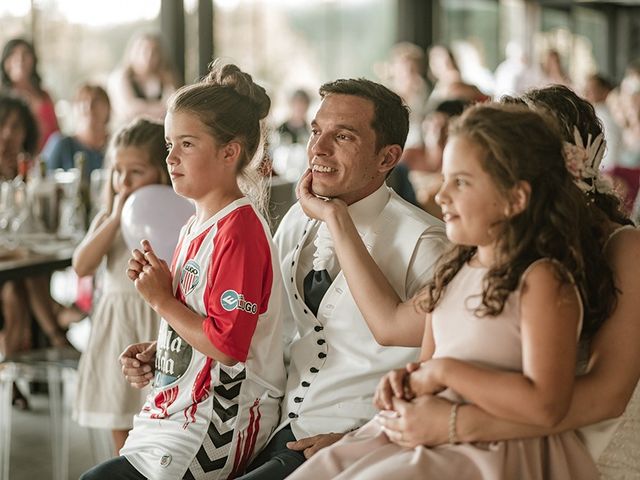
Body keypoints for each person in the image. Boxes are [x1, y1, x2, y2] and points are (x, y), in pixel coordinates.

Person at [323, 86, 639, 479]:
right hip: (471, 433)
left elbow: (605, 397)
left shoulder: (621, 248)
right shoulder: (480, 254)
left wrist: (453, 424)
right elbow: (396, 327)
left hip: (574, 444)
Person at [82, 62, 287, 480]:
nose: (170, 157)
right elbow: (201, 326)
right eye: (169, 143)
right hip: (176, 411)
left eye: (187, 144)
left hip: (217, 425)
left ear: (229, 152)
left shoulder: (240, 230)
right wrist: (162, 354)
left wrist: (159, 299)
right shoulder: (195, 225)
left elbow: (228, 346)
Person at [238, 78, 447, 479]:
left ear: (387, 158)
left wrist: (364, 437)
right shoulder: (299, 218)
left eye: (343, 136)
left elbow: (439, 373)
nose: (318, 147)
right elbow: (264, 324)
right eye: (317, 131)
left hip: (349, 443)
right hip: (267, 427)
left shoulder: (424, 243)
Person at [71, 117, 168, 453]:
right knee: (122, 427)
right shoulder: (106, 220)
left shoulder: (171, 216)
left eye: (136, 171)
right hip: (118, 330)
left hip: (155, 324)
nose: (124, 181)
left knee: (159, 424)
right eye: (118, 170)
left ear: (161, 171)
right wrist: (114, 218)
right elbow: (81, 266)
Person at [0, 94, 71, 408]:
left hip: (13, 273)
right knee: (22, 277)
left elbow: (33, 228)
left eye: (16, 127)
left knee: (17, 287)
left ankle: (11, 375)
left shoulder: (27, 171)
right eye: (3, 124)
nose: (8, 133)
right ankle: (55, 329)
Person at [107, 32, 179, 129]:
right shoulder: (120, 77)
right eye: (144, 51)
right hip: (127, 133)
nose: (149, 56)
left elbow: (173, 108)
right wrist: (160, 109)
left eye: (154, 52)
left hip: (157, 132)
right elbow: (129, 110)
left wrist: (142, 108)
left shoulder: (165, 77)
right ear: (134, 52)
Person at [1, 38, 59, 151]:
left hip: (48, 159)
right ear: (5, 62)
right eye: (13, 54)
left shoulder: (45, 95)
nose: (20, 59)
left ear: (33, 60)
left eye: (25, 54)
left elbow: (56, 132)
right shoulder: (3, 99)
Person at [44, 83, 111, 179]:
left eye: (96, 101)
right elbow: (41, 180)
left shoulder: (117, 146)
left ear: (108, 109)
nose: (89, 106)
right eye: (82, 101)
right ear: (73, 109)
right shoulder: (62, 144)